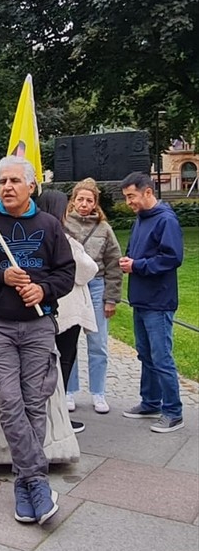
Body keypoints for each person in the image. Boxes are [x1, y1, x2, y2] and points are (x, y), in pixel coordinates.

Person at [0, 156, 75, 525]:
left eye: (13, 181)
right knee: (9, 400)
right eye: (2, 181)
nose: (6, 187)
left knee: (34, 401)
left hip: (39, 326)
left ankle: (25, 482)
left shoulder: (49, 226)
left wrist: (42, 290)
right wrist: (0, 277)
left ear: (31, 186)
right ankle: (36, 479)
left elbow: (66, 274)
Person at [119, 172, 184, 433]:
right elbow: (136, 250)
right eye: (126, 198)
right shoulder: (141, 219)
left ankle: (173, 411)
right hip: (141, 298)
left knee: (161, 357)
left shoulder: (166, 220)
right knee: (146, 354)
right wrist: (128, 260)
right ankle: (150, 402)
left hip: (159, 300)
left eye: (131, 196)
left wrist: (138, 265)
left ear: (148, 192)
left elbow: (172, 257)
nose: (128, 202)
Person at [36, 190, 99, 434]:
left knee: (43, 363)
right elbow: (87, 270)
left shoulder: (36, 235)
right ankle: (57, 415)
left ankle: (47, 412)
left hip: (46, 308)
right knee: (63, 362)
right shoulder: (62, 239)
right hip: (67, 309)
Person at [64, 178, 123, 414]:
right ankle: (69, 390)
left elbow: (114, 264)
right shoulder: (63, 224)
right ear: (73, 200)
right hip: (71, 288)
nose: (84, 204)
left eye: (89, 200)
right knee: (69, 342)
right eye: (80, 199)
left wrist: (111, 298)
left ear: (95, 203)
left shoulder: (104, 228)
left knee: (98, 343)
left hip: (96, 286)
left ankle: (98, 392)